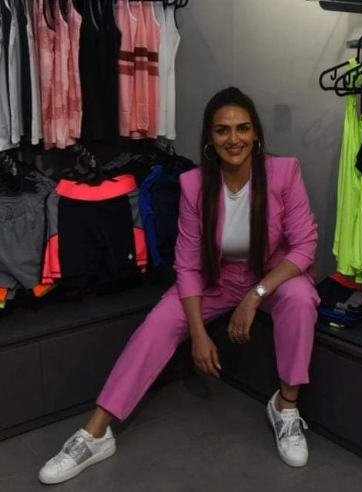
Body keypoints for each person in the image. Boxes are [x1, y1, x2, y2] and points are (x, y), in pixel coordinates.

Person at [38, 87, 320, 485]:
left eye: (242, 128)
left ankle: (286, 407)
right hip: (217, 279)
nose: (234, 139)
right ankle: (96, 433)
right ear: (210, 138)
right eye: (222, 130)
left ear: (256, 133)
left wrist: (255, 296)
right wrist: (199, 334)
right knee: (159, 322)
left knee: (301, 297)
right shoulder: (193, 185)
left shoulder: (283, 172)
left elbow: (305, 244)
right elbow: (186, 263)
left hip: (269, 275)